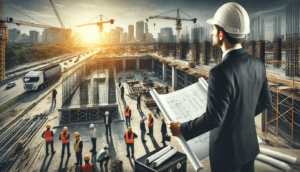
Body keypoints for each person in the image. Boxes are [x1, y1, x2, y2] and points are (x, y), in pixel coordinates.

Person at [167, 2, 272, 172]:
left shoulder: (219, 71)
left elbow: (214, 119)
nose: (211, 32)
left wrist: (182, 129)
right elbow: (266, 101)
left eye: (214, 28)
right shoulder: (258, 64)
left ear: (221, 34)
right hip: (249, 148)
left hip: (227, 156)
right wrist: (239, 118)